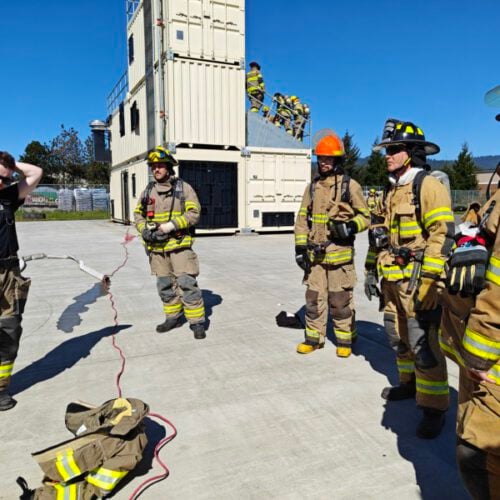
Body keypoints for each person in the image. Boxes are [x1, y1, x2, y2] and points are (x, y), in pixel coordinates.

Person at [364, 119, 455, 438]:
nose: (387, 155)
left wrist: (431, 281)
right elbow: (382, 236)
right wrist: (370, 269)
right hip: (392, 282)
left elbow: (442, 235)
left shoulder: (427, 185)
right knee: (397, 337)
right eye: (386, 150)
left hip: (418, 284)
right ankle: (409, 384)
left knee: (424, 344)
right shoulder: (392, 188)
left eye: (393, 149)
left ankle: (433, 408)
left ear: (411, 153)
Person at [439, 177, 500, 498]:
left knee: (477, 456)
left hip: (489, 367)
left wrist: (476, 356)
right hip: (480, 358)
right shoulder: (495, 196)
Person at [294, 130, 370, 358]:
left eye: (328, 159)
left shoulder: (351, 186)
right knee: (313, 299)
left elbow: (366, 216)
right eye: (321, 159)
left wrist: (351, 226)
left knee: (340, 302)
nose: (323, 163)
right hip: (315, 258)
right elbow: (301, 217)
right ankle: (313, 339)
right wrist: (300, 248)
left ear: (337, 161)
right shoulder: (312, 187)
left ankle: (345, 339)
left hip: (339, 257)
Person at [134, 146, 206, 339]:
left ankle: (197, 322)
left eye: (160, 166)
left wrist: (170, 226)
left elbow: (194, 214)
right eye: (153, 166)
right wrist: (145, 232)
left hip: (179, 246)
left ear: (169, 168)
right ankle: (172, 317)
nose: (156, 170)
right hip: (157, 251)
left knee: (187, 283)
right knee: (165, 285)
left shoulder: (184, 189)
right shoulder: (148, 191)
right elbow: (137, 216)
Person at [0, 151, 43, 410]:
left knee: (9, 331)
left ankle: (1, 389)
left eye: (5, 179)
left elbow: (35, 173)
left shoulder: (7, 197)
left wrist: (10, 165)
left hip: (8, 274)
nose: (2, 183)